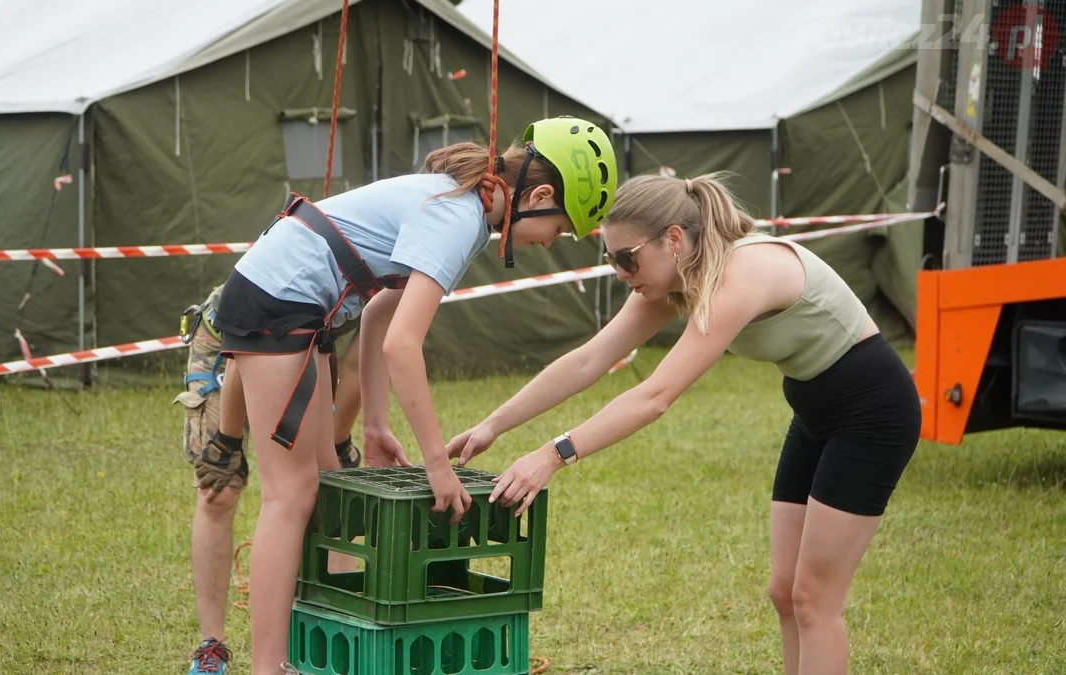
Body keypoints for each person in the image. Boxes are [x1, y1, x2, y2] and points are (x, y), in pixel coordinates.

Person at [447, 172, 921, 675]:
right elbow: (590, 360)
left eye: (626, 258)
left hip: (873, 412)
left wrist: (553, 454)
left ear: (673, 239)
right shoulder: (674, 277)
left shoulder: (742, 272)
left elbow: (655, 396)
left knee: (814, 599)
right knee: (785, 592)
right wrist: (493, 424)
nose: (620, 272)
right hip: (815, 409)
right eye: (610, 259)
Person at [208, 116, 618, 674]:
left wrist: (374, 425)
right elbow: (404, 346)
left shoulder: (467, 208)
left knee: (325, 488)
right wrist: (436, 466)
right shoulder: (459, 216)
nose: (553, 242)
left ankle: (322, 652)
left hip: (295, 306)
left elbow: (380, 312)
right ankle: (269, 668)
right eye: (561, 227)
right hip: (279, 304)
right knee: (292, 495)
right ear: (540, 196)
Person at [173, 283, 363, 675]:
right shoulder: (301, 271)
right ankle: (211, 648)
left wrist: (337, 440)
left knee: (331, 490)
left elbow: (362, 364)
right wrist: (228, 439)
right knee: (219, 488)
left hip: (306, 344)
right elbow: (247, 344)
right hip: (231, 333)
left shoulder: (398, 279)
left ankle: (336, 641)